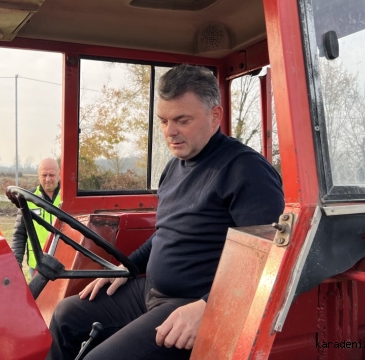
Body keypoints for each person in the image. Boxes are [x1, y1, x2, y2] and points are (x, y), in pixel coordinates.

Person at [46, 64, 285, 360]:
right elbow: (164, 234)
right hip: (151, 292)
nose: (170, 132)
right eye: (163, 121)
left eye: (182, 120)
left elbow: (268, 261)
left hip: (192, 303)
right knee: (66, 315)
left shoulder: (246, 171)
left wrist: (208, 307)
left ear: (215, 116)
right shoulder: (174, 167)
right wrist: (126, 267)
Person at [11, 158, 61, 278]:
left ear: (59, 174)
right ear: (38, 175)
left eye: (52, 175)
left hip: (63, 263)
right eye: (44, 175)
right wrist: (15, 263)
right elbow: (19, 234)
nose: (48, 179)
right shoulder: (27, 199)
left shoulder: (68, 197)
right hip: (38, 266)